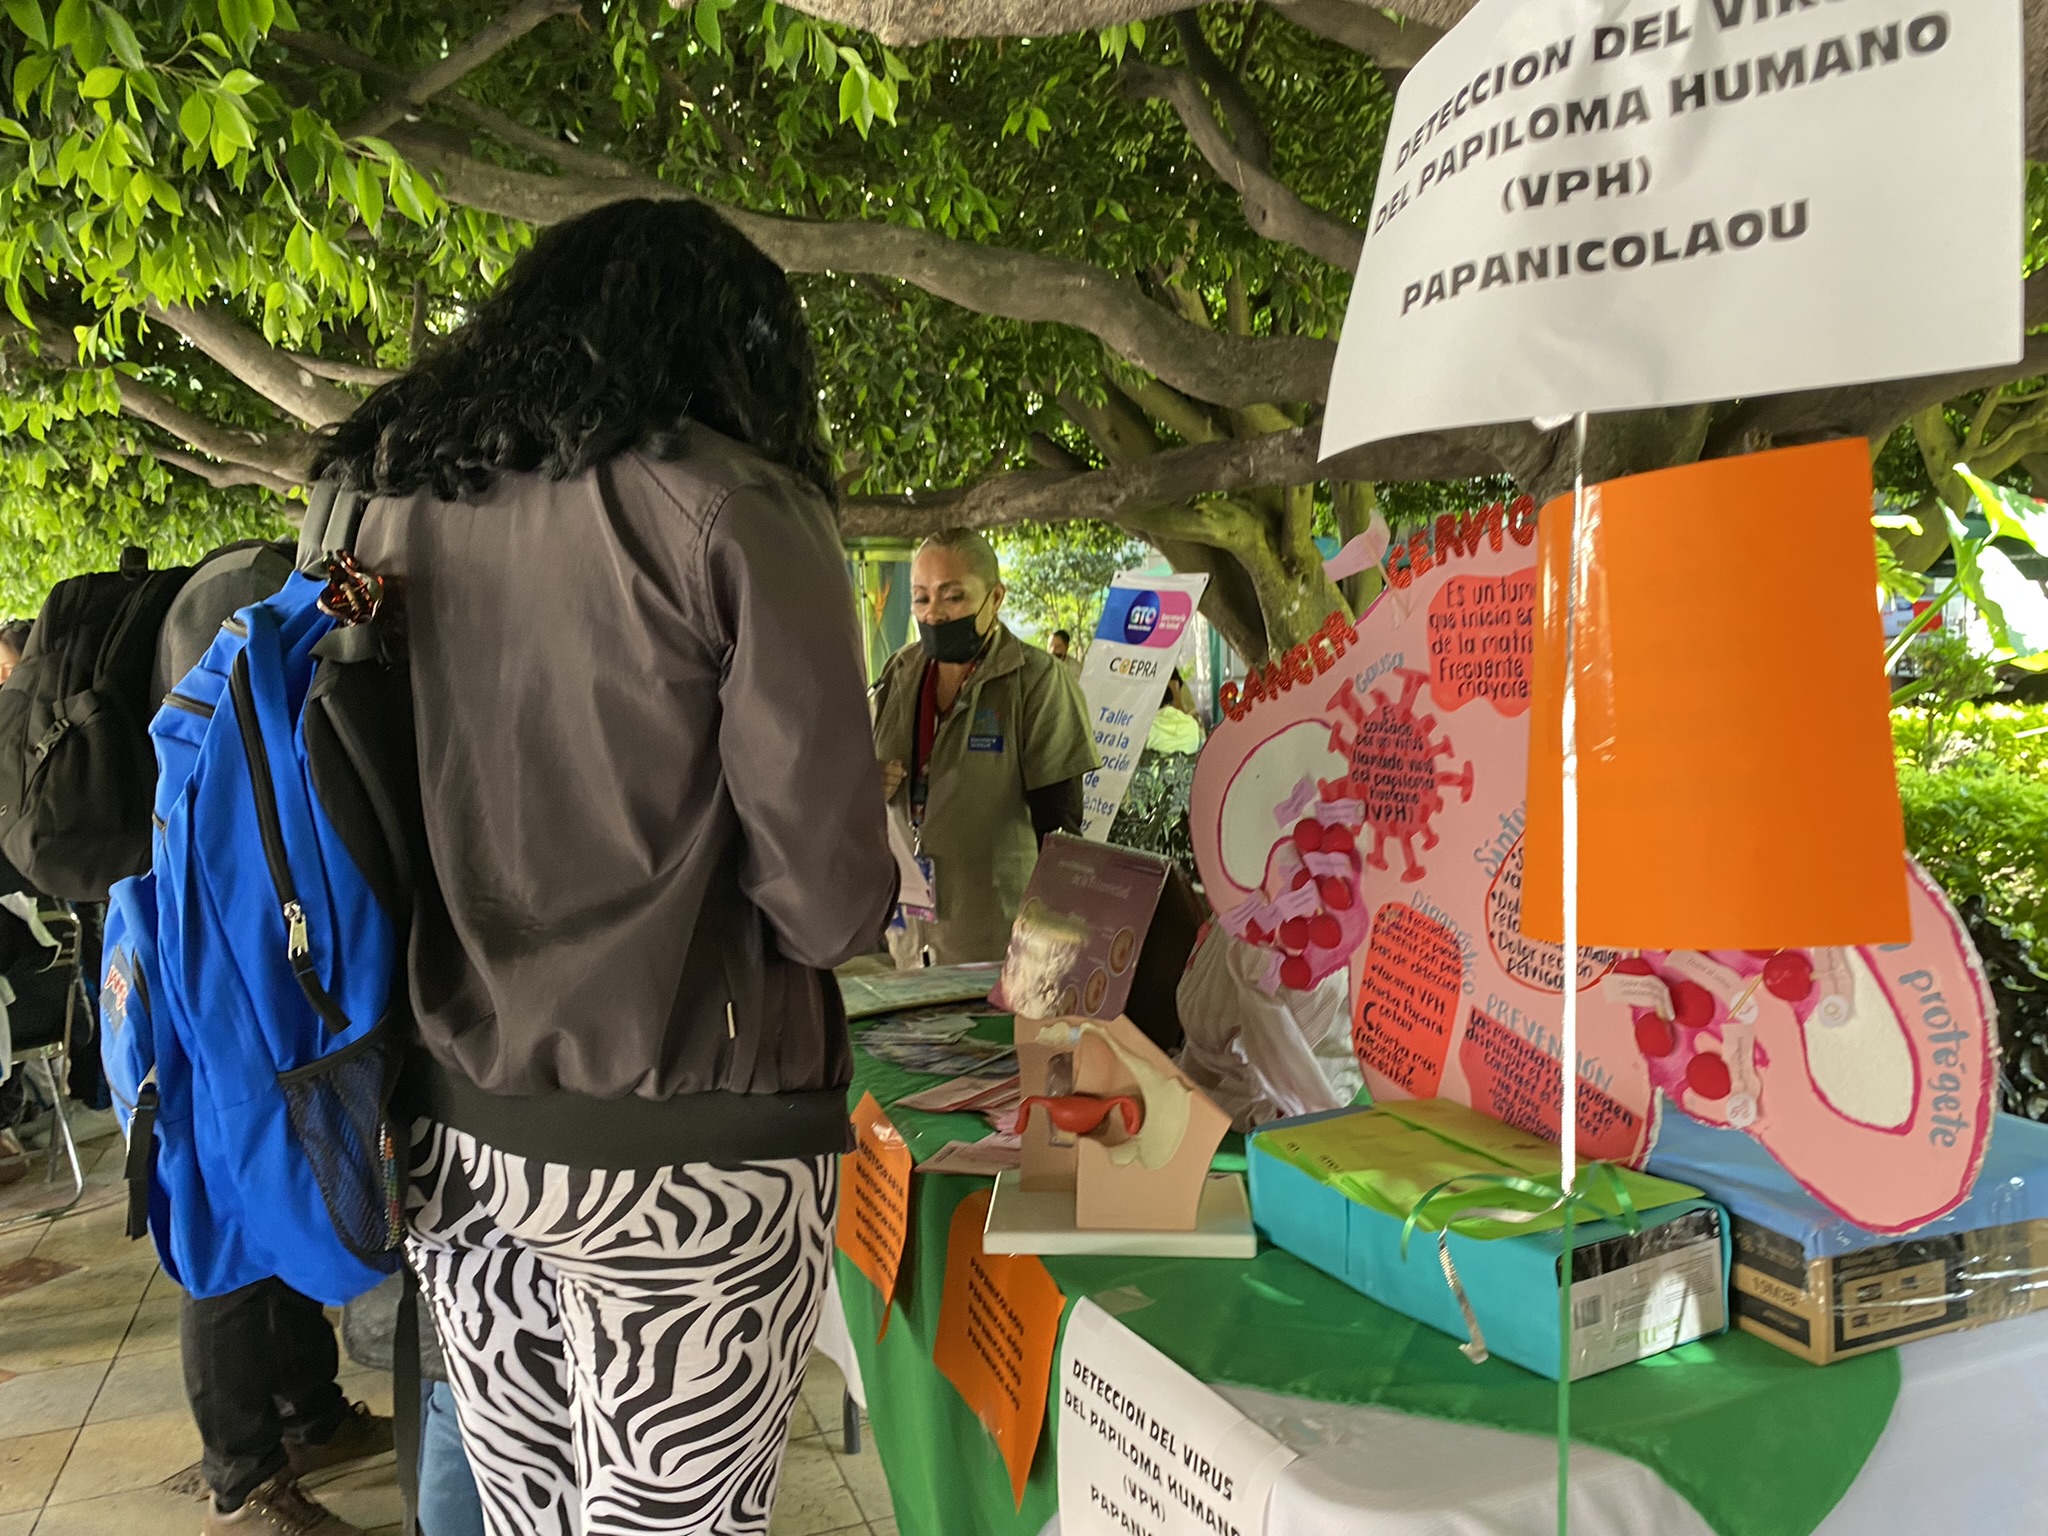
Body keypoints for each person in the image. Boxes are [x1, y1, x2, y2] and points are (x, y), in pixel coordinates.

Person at [327, 197, 897, 1536]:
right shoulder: (737, 503)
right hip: (687, 1146)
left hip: (454, 1129)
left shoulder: (381, 510)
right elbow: (827, 902)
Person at [872, 531, 1099, 966]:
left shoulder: (1036, 679)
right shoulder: (899, 673)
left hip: (1001, 947)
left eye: (953, 597)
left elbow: (1061, 828)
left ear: (995, 597)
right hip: (909, 940)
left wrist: (1054, 947)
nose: (934, 614)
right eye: (921, 598)